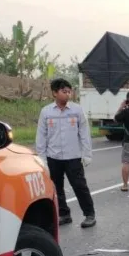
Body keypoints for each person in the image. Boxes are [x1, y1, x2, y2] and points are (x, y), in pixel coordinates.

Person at [36, 78, 96, 228]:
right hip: (53, 157)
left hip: (73, 157)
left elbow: (84, 133)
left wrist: (87, 154)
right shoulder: (46, 112)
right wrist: (42, 159)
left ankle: (89, 214)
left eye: (69, 91)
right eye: (64, 91)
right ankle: (64, 214)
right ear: (55, 93)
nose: (67, 94)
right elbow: (41, 136)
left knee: (79, 186)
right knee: (56, 188)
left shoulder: (77, 110)